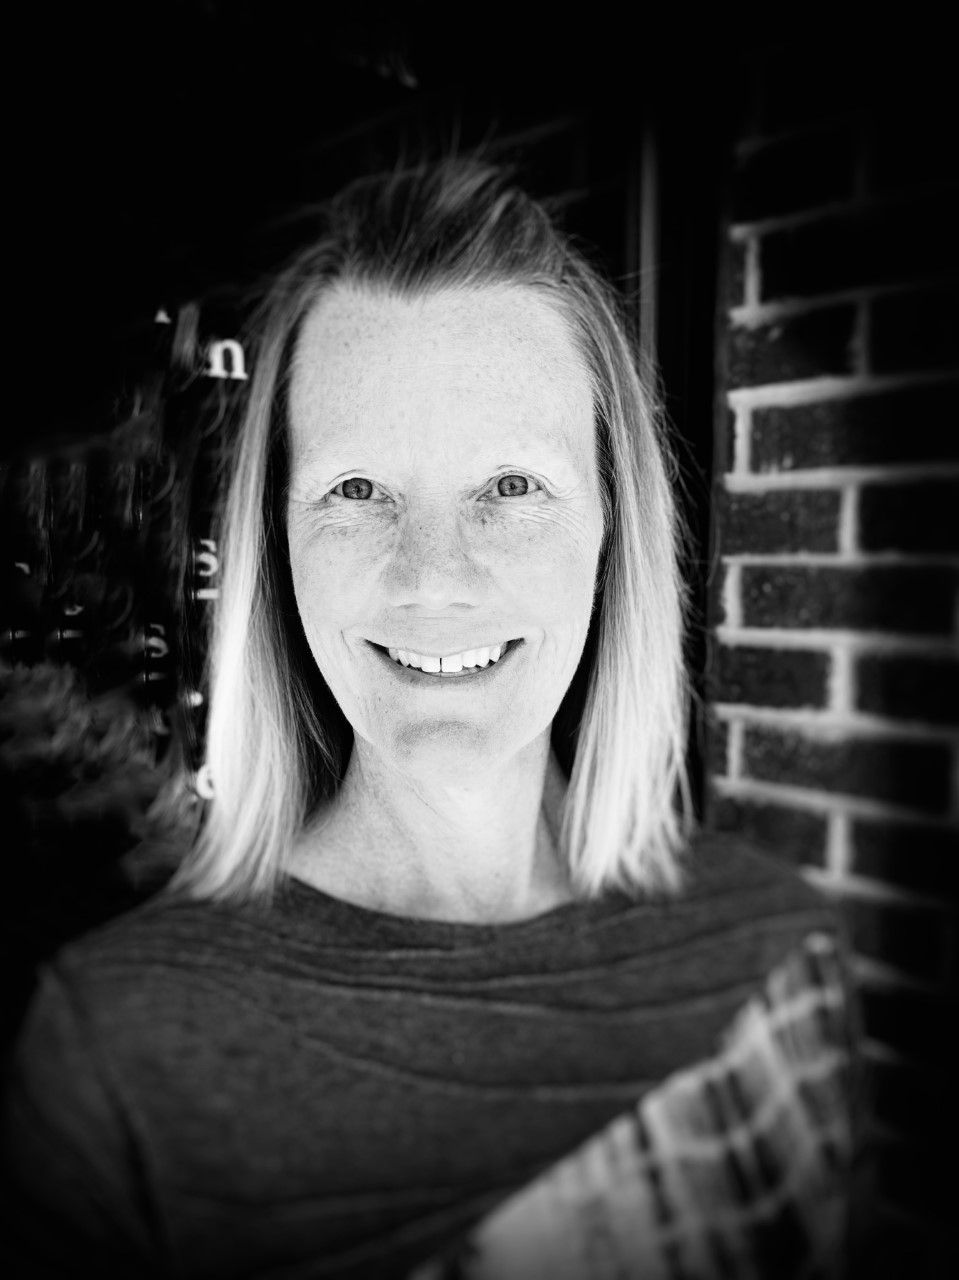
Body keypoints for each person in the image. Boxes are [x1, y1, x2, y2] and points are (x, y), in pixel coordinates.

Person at [2, 157, 863, 1279]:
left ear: (612, 529)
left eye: (510, 485)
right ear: (279, 543)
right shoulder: (116, 1055)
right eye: (357, 490)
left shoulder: (774, 950)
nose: (432, 579)